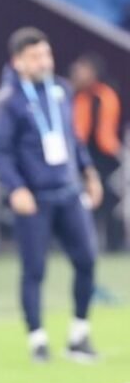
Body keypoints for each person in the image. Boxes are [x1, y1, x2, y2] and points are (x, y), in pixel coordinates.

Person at [0, 27, 104, 364]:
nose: (43, 62)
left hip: (68, 191)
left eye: (46, 54)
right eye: (35, 56)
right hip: (34, 198)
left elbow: (72, 138)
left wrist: (89, 172)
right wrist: (16, 187)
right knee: (34, 269)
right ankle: (37, 339)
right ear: (18, 61)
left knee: (87, 260)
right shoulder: (7, 100)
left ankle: (79, 334)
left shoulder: (61, 90)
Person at [70, 53, 124, 252]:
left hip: (106, 158)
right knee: (85, 203)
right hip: (84, 156)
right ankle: (85, 243)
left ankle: (114, 244)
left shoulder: (104, 95)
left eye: (82, 69)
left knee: (109, 201)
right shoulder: (76, 97)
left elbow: (105, 135)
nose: (77, 74)